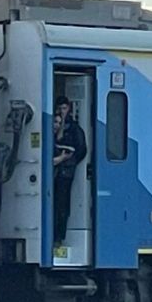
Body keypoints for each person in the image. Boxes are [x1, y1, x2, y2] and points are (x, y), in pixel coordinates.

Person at [52, 96, 88, 245]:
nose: (62, 111)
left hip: (65, 172)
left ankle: (59, 236)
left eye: (64, 108)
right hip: (55, 170)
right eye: (60, 108)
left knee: (62, 203)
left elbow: (81, 149)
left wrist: (70, 161)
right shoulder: (53, 125)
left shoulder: (74, 129)